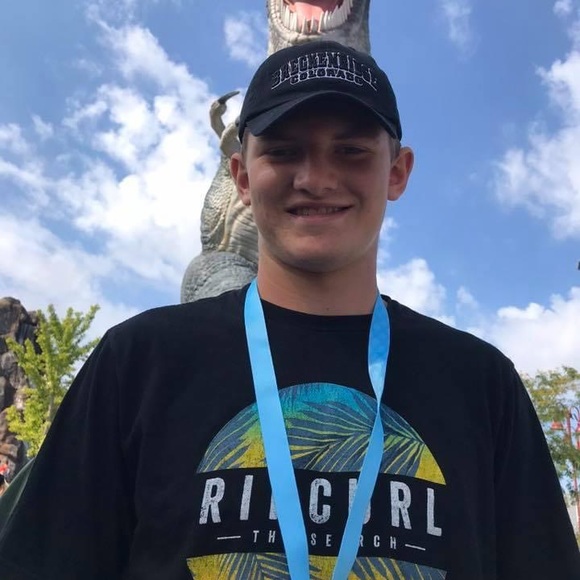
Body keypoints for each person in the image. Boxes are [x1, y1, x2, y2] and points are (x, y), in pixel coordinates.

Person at [0, 40, 578, 580]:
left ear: (397, 172)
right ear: (241, 177)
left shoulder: (481, 384)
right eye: (283, 151)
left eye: (350, 151)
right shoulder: (139, 362)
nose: (316, 178)